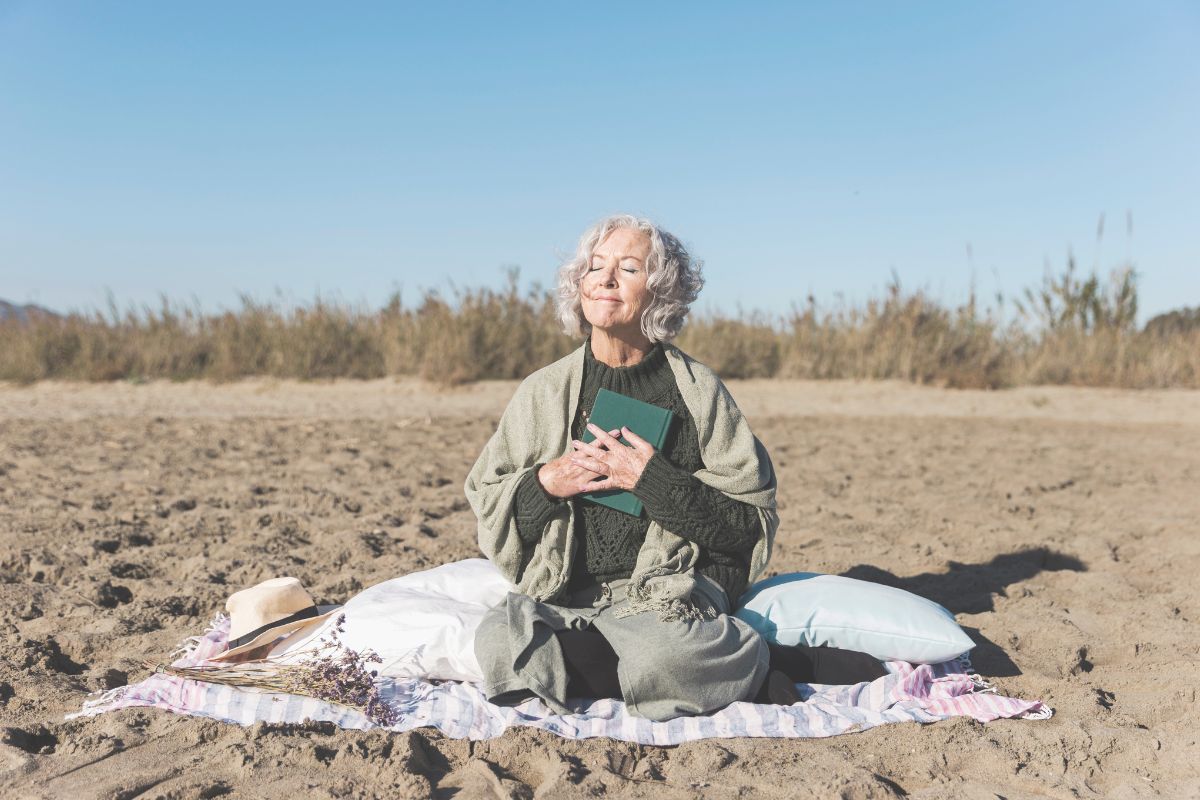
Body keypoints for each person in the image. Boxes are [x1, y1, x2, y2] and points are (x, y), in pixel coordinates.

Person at [465, 214, 883, 721]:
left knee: (664, 655)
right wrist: (545, 483)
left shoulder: (698, 391)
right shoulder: (542, 391)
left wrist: (653, 481)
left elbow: (746, 527)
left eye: (628, 268)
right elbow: (490, 504)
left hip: (668, 592)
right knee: (498, 641)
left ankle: (769, 659)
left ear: (660, 291)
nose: (605, 278)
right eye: (595, 266)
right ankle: (697, 666)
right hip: (568, 591)